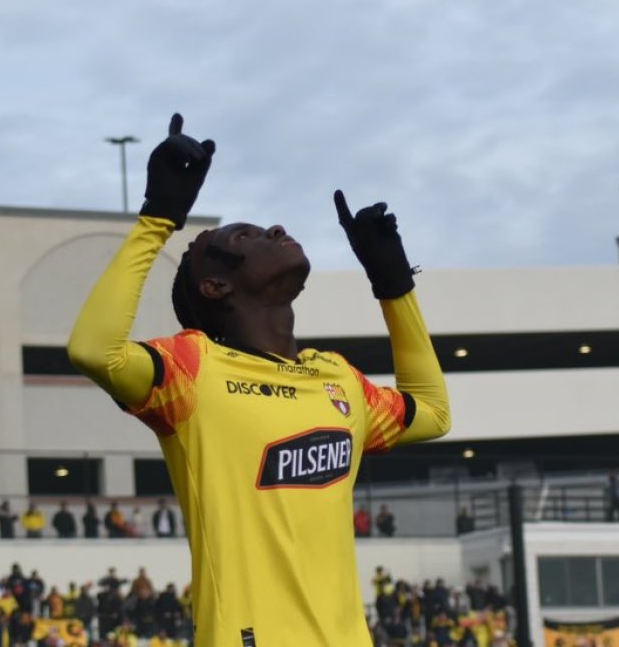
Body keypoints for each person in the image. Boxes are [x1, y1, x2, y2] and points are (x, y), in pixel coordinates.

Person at [67, 113, 450, 645]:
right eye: (244, 236)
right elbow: (93, 349)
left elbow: (432, 413)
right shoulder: (190, 370)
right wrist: (158, 218)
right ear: (215, 284)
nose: (274, 229)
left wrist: (394, 286)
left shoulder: (336, 377)